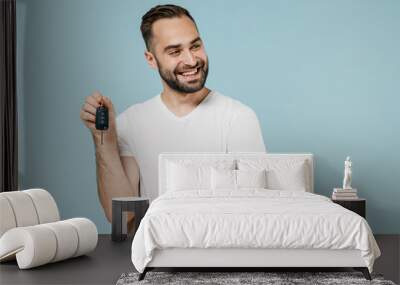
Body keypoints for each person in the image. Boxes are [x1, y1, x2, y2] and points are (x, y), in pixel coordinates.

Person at [80, 4, 266, 228]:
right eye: (175, 51)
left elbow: (254, 210)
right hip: (158, 257)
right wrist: (105, 142)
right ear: (151, 59)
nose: (191, 60)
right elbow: (123, 219)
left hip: (219, 255)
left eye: (195, 46)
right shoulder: (131, 123)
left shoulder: (239, 118)